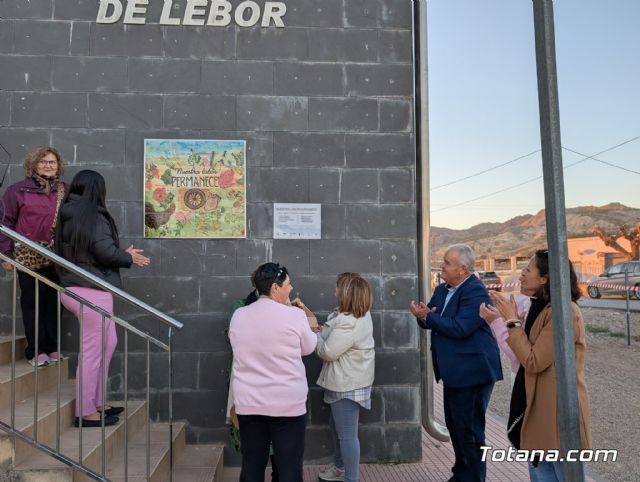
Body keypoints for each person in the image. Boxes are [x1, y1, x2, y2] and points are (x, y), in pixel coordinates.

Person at [55, 170, 150, 427]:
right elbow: (105, 252)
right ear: (98, 189)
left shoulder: (69, 213)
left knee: (107, 344)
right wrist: (127, 256)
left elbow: (91, 251)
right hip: (91, 290)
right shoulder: (93, 216)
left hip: (79, 288)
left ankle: (97, 402)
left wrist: (120, 253)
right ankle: (86, 411)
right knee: (93, 352)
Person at [490, 249, 591, 481]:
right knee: (542, 474)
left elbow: (533, 360)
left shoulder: (563, 312)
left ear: (544, 278)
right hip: (538, 407)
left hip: (556, 412)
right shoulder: (540, 307)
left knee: (563, 475)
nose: (522, 274)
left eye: (528, 269)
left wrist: (511, 322)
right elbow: (523, 352)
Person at [409, 244, 502, 482]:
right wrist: (423, 316)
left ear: (463, 269)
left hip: (473, 371)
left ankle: (473, 477)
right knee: (456, 427)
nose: (442, 267)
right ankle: (461, 474)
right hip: (454, 372)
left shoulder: (475, 291)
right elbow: (433, 319)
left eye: (447, 263)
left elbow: (460, 327)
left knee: (470, 431)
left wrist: (429, 316)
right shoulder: (443, 289)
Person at [229, 262, 317, 482]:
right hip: (288, 404)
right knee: (290, 469)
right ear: (275, 287)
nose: (291, 288)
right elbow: (309, 347)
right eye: (288, 284)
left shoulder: (239, 315)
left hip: (249, 402)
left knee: (251, 466)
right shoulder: (294, 315)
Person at [0, 147, 68, 367]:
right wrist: (6, 255)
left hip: (57, 256)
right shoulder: (17, 191)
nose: (48, 165)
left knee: (55, 303)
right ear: (33, 165)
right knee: (33, 303)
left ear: (58, 165)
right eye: (43, 161)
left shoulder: (65, 190)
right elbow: (5, 223)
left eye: (52, 162)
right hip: (28, 256)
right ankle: (35, 350)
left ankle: (52, 347)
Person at [316, 273, 375, 482]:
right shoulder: (358, 315)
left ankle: (351, 478)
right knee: (338, 427)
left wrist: (314, 335)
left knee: (347, 435)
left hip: (346, 385)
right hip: (350, 381)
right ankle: (340, 468)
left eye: (338, 288)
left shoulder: (349, 322)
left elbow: (327, 352)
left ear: (347, 294)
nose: (335, 292)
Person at [479, 271, 533, 385]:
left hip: (528, 377)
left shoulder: (539, 309)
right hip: (518, 374)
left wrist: (496, 321)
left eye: (528, 270)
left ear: (544, 278)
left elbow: (517, 352)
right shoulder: (525, 303)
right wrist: (504, 314)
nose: (520, 277)